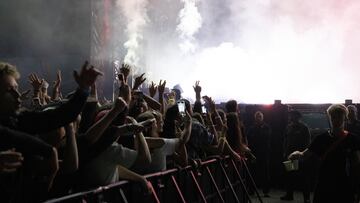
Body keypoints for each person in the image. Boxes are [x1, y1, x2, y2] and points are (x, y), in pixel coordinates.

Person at [288, 104, 360, 203]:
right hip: (325, 183)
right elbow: (305, 155)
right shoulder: (321, 139)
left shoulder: (352, 139)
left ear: (345, 118)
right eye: (333, 117)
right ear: (329, 117)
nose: (336, 119)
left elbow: (356, 164)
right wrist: (295, 154)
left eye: (339, 116)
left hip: (343, 184)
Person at [281, 110, 311, 202]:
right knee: (290, 176)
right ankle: (289, 195)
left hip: (299, 157)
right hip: (289, 156)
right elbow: (285, 140)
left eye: (292, 115)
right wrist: (285, 152)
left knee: (303, 178)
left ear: (298, 117)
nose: (291, 117)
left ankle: (306, 198)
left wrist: (303, 155)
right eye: (290, 115)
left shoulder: (304, 128)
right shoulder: (289, 127)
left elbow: (307, 143)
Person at [247, 111, 271, 197]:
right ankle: (251, 190)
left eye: (260, 116)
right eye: (257, 116)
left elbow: (266, 138)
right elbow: (249, 139)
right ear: (255, 118)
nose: (258, 118)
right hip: (253, 153)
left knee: (265, 172)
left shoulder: (266, 127)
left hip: (263, 153)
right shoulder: (251, 128)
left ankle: (266, 191)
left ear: (262, 117)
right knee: (252, 172)